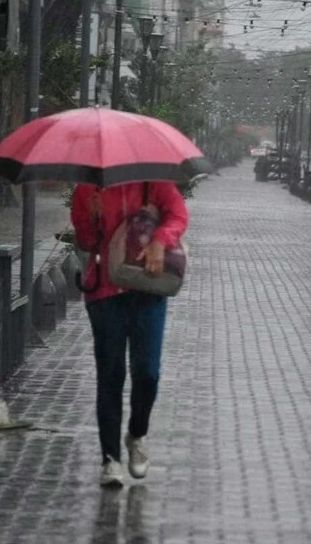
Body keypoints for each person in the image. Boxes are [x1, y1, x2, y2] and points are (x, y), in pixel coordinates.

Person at [71, 181, 189, 487]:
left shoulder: (154, 181)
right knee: (111, 373)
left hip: (148, 288)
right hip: (104, 292)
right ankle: (110, 458)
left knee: (147, 372)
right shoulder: (88, 187)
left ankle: (137, 434)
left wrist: (161, 240)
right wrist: (92, 217)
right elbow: (85, 241)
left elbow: (178, 215)